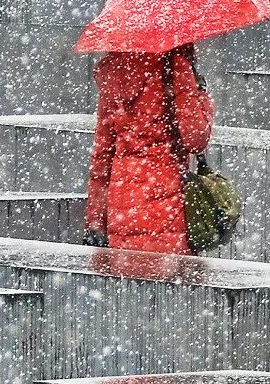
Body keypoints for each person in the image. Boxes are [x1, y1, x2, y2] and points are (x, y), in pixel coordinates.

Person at [84, 43, 215, 255]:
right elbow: (195, 139)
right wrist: (201, 96)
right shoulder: (174, 65)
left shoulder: (115, 70)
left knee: (128, 283)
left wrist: (96, 220)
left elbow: (102, 155)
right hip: (166, 206)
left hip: (122, 209)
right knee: (167, 284)